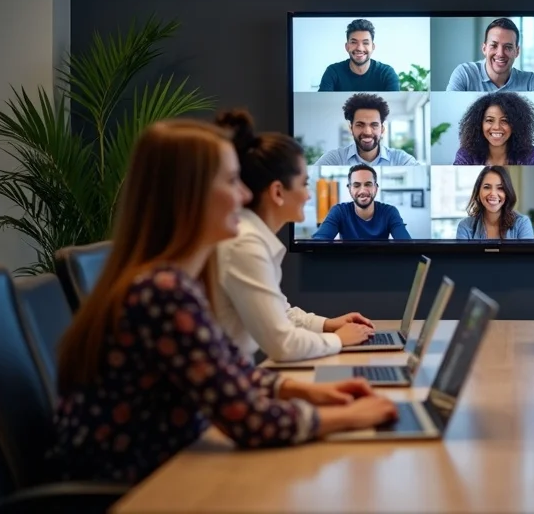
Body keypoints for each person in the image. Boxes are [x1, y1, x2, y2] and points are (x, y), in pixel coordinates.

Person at [47, 119, 398, 485]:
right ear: (190, 194)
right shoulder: (164, 293)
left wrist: (307, 391)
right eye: (232, 182)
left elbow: (227, 371)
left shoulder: (170, 280)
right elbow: (249, 420)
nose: (246, 196)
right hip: (135, 492)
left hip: (166, 472)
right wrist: (353, 416)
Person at [213, 109, 376, 364]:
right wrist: (340, 339)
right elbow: (283, 344)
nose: (308, 195)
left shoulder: (252, 237)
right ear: (278, 192)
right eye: (304, 184)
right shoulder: (245, 244)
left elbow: (281, 313)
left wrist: (328, 325)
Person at [315, 93, 419, 166]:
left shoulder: (401, 159)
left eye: (374, 125)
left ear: (382, 129)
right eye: (360, 125)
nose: (367, 132)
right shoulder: (334, 159)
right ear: (351, 128)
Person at [446, 18, 534, 91]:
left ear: (517, 52)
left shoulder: (530, 82)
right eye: (494, 45)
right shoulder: (464, 74)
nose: (500, 53)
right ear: (484, 48)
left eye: (508, 47)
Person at [312, 164, 411, 240]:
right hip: (348, 266)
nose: (363, 191)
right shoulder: (339, 211)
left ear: (375, 188)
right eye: (356, 185)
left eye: (368, 184)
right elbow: (319, 241)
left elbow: (406, 244)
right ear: (349, 188)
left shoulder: (389, 212)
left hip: (379, 265)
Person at [453, 92, 534, 166]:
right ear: (479, 124)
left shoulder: (528, 154)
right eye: (489, 120)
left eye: (504, 121)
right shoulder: (467, 154)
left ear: (515, 124)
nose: (496, 127)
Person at [318, 19, 400, 92]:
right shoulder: (333, 72)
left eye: (365, 43)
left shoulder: (386, 74)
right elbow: (321, 106)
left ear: (373, 47)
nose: (359, 48)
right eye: (354, 42)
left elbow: (393, 108)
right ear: (347, 47)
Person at [456, 166, 534, 240]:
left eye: (500, 188)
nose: (493, 193)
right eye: (487, 187)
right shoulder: (465, 226)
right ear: (478, 192)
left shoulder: (522, 224)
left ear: (507, 192)